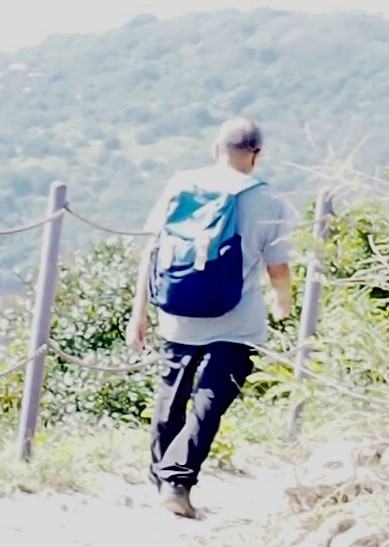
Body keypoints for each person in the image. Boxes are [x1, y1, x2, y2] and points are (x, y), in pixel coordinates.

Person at [128, 115, 300, 518]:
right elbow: (278, 268)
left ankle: (163, 481)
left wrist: (140, 313)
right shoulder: (269, 200)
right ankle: (176, 482)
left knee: (171, 395)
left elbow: (153, 251)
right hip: (238, 320)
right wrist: (284, 304)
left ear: (216, 149)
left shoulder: (181, 185)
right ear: (257, 155)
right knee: (210, 400)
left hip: (178, 310)